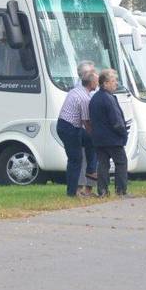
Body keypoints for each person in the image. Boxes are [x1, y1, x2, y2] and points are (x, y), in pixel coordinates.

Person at [57, 68, 97, 196]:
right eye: (96, 81)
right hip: (70, 128)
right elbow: (86, 122)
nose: (97, 83)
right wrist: (95, 135)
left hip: (67, 125)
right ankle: (72, 192)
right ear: (91, 83)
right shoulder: (85, 98)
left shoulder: (75, 90)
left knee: (90, 141)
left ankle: (91, 170)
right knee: (75, 159)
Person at [89, 69, 129, 197]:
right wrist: (123, 134)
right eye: (113, 81)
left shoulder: (94, 98)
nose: (115, 83)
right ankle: (121, 190)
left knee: (103, 165)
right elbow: (116, 120)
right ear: (105, 83)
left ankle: (103, 191)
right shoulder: (109, 98)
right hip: (113, 138)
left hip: (99, 138)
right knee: (121, 162)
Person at [76, 60, 99, 194]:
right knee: (83, 159)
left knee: (92, 159)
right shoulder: (80, 89)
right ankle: (80, 188)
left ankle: (89, 189)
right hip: (85, 128)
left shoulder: (92, 87)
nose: (95, 74)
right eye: (92, 71)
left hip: (90, 127)